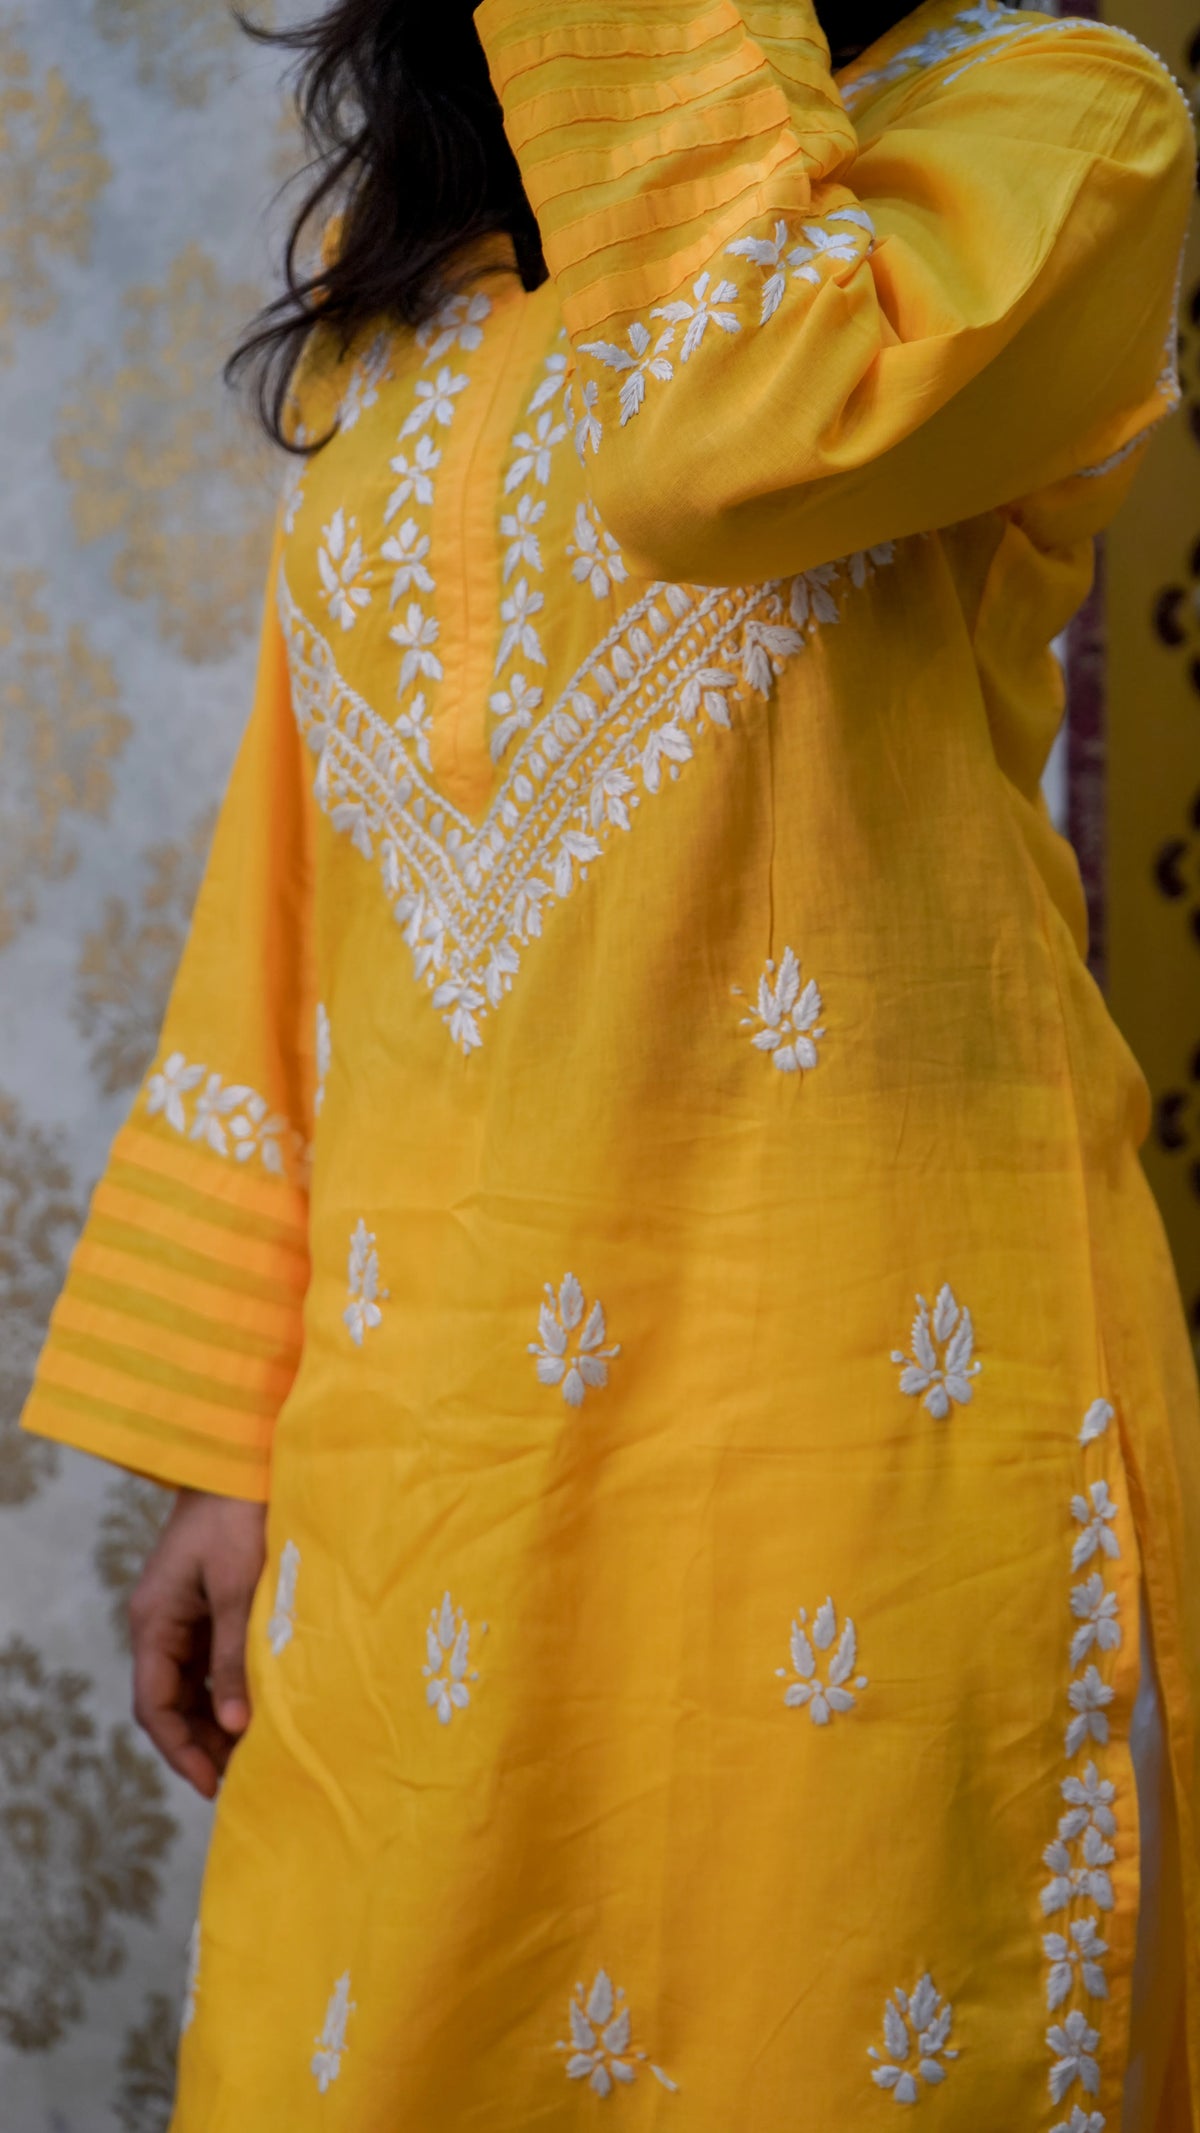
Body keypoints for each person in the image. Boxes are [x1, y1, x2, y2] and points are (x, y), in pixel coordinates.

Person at [20, 0, 1198, 2123]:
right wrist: (232, 1433)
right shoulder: (428, 266)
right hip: (426, 1448)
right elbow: (304, 865)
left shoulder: (1052, 130)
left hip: (848, 1437)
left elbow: (727, 434)